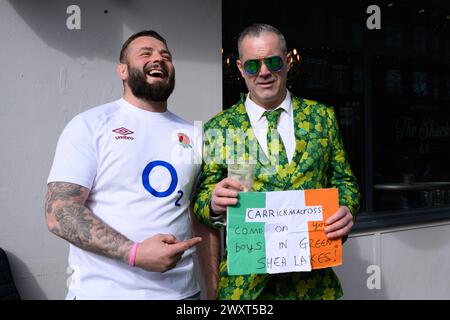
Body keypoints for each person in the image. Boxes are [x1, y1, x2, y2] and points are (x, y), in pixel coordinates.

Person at [45, 30, 219, 300]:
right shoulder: (91, 124)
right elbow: (59, 212)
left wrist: (213, 288)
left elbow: (198, 214)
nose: (158, 59)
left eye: (166, 56)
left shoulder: (195, 134)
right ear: (122, 71)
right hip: (103, 293)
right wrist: (134, 253)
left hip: (182, 295)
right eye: (146, 53)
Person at [193, 24, 360, 300]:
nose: (264, 72)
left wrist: (346, 207)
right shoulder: (220, 127)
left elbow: (345, 181)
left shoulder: (322, 117)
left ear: (288, 62)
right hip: (246, 288)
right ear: (239, 68)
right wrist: (212, 202)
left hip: (313, 284)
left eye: (273, 62)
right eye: (252, 66)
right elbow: (200, 198)